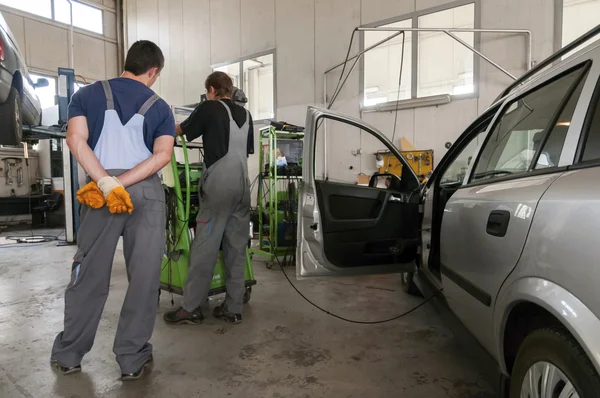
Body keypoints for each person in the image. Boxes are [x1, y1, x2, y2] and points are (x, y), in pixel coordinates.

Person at [50, 40, 175, 381]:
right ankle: (132, 359)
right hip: (146, 194)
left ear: (127, 62)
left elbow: (75, 141)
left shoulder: (85, 96)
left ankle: (70, 355)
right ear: (153, 71)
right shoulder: (161, 107)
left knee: (88, 275)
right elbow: (162, 156)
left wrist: (107, 182)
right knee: (145, 279)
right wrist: (125, 182)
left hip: (99, 192)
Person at [163, 71, 253, 326]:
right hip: (243, 186)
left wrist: (157, 126)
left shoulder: (208, 108)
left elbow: (179, 130)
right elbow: (243, 150)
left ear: (212, 90)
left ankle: (191, 307)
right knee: (236, 248)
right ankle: (233, 308)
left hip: (219, 189)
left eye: (207, 92)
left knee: (205, 247)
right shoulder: (247, 115)